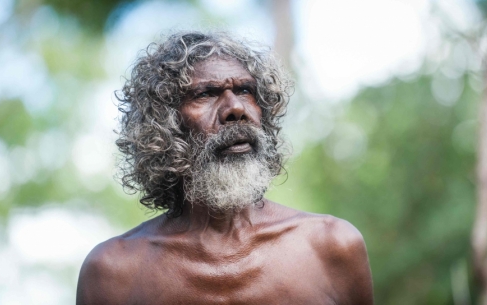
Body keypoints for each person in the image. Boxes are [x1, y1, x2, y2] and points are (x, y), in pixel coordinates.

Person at [76, 31, 373, 305]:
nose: (235, 108)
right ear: (164, 124)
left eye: (245, 90)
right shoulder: (113, 271)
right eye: (205, 94)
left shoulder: (331, 246)